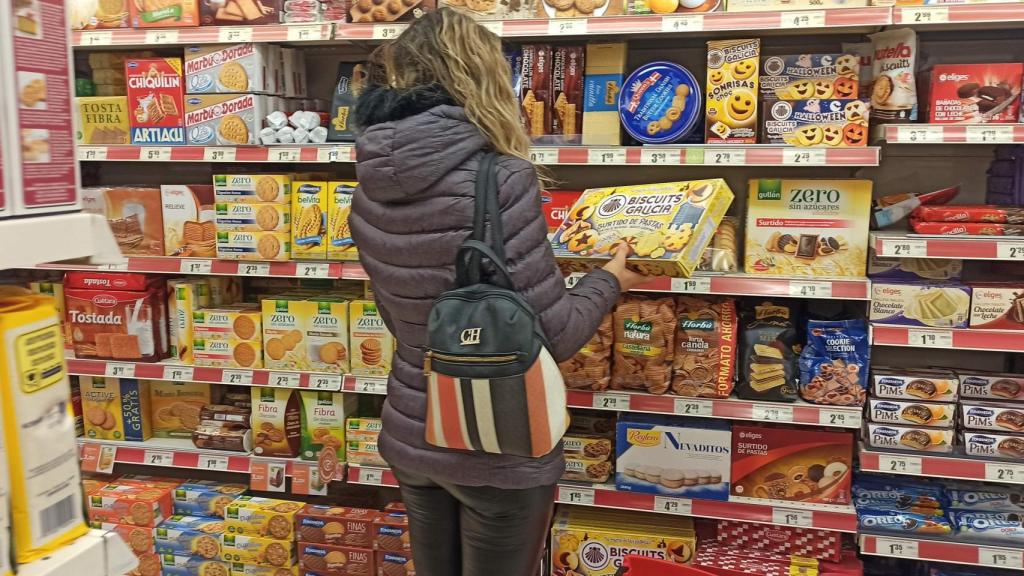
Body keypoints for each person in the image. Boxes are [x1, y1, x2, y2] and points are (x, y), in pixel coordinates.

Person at [349, 8, 646, 576]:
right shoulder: (501, 178)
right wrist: (611, 280)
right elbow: (554, 335)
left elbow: (403, 318)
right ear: (481, 77)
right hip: (498, 443)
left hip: (414, 435)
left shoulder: (368, 185)